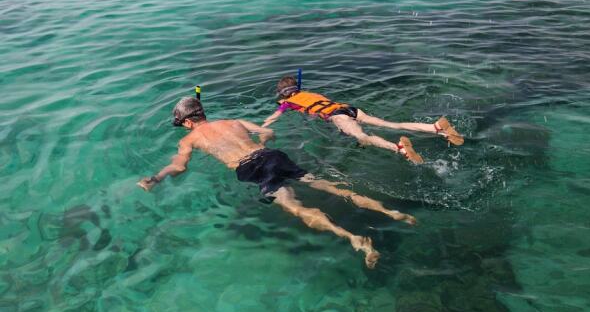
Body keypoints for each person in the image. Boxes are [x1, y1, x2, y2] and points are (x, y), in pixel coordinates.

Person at [137, 97, 417, 269]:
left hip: (253, 169)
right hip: (272, 155)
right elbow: (268, 131)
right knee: (329, 186)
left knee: (295, 207)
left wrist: (156, 178)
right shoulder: (235, 121)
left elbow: (179, 165)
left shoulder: (190, 139)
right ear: (202, 114)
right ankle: (391, 212)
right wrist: (260, 143)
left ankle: (354, 238)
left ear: (187, 123)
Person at [262, 76, 464, 165]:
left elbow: (275, 116)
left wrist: (263, 126)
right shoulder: (310, 93)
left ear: (283, 94)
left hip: (337, 117)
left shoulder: (287, 104)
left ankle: (399, 148)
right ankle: (436, 127)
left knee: (362, 136)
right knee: (391, 124)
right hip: (348, 109)